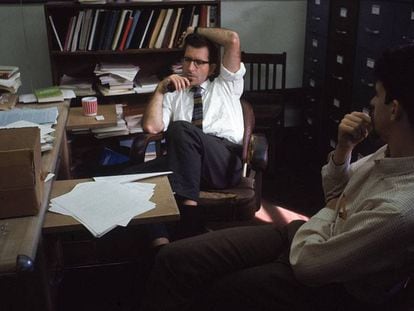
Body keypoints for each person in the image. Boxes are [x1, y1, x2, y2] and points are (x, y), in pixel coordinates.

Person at [138, 44, 414, 311]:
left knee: (219, 288)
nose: (372, 102)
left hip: (329, 276)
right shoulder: (388, 153)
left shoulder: (400, 211)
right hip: (301, 234)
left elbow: (310, 264)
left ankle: (185, 222)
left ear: (395, 109)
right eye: (186, 60)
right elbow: (334, 192)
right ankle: (166, 236)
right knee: (174, 257)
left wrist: (331, 208)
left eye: (377, 95)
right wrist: (343, 150)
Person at [125, 27, 245, 241]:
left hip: (222, 162)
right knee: (131, 179)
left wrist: (195, 30)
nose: (190, 67)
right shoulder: (174, 94)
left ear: (213, 67)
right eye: (187, 60)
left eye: (199, 62)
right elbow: (151, 128)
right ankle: (160, 242)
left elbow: (232, 39)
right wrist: (161, 89)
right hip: (184, 162)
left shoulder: (227, 85)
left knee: (180, 128)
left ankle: (189, 220)